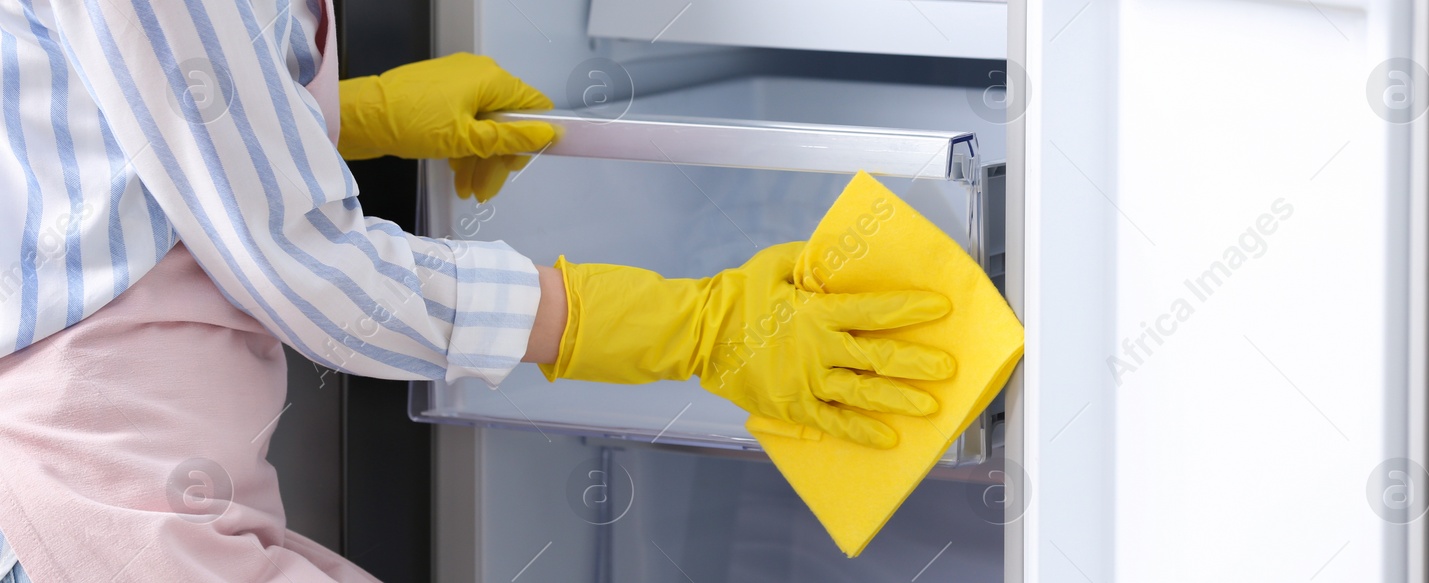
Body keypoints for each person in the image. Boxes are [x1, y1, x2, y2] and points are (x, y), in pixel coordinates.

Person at [0, 0, 952, 580]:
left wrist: (343, 117)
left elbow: (109, 125)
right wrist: (686, 328)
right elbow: (311, 273)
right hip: (102, 513)